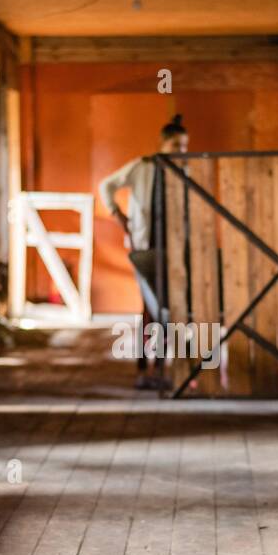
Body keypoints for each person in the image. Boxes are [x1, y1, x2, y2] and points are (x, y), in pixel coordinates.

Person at [98, 114, 188, 389]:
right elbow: (106, 185)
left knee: (162, 307)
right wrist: (118, 215)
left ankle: (155, 364)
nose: (181, 151)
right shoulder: (142, 167)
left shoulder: (185, 170)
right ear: (163, 143)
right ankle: (149, 363)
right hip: (144, 244)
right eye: (176, 145)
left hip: (172, 247)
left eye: (184, 146)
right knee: (152, 305)